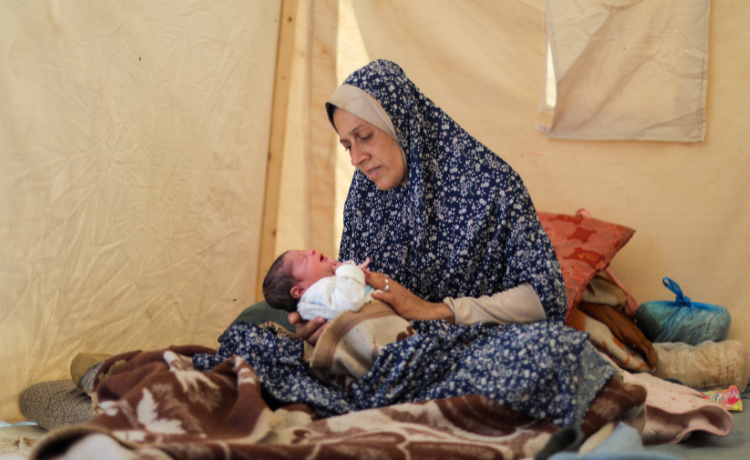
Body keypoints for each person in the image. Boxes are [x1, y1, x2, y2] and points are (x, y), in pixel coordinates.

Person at [289, 60, 568, 344]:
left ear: (401, 121)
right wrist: (322, 319)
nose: (355, 158)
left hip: (471, 344)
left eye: (364, 136)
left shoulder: (492, 186)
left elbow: (545, 298)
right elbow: (350, 291)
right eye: (348, 144)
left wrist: (431, 311)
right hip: (385, 348)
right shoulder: (364, 195)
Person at [263, 249, 376, 321]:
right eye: (304, 259)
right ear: (300, 290)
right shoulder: (319, 291)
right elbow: (351, 301)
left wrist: (341, 269)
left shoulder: (318, 296)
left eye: (304, 251)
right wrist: (346, 270)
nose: (311, 251)